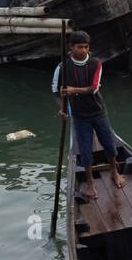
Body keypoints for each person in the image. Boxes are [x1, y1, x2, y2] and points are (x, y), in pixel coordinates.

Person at [53, 31, 125, 201]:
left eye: (86, 47)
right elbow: (56, 92)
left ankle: (115, 172)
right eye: (80, 47)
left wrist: (72, 90)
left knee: (109, 144)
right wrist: (62, 108)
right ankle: (90, 183)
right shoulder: (62, 67)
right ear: (71, 48)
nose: (83, 50)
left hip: (98, 111)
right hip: (79, 115)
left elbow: (94, 87)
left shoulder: (95, 64)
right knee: (85, 152)